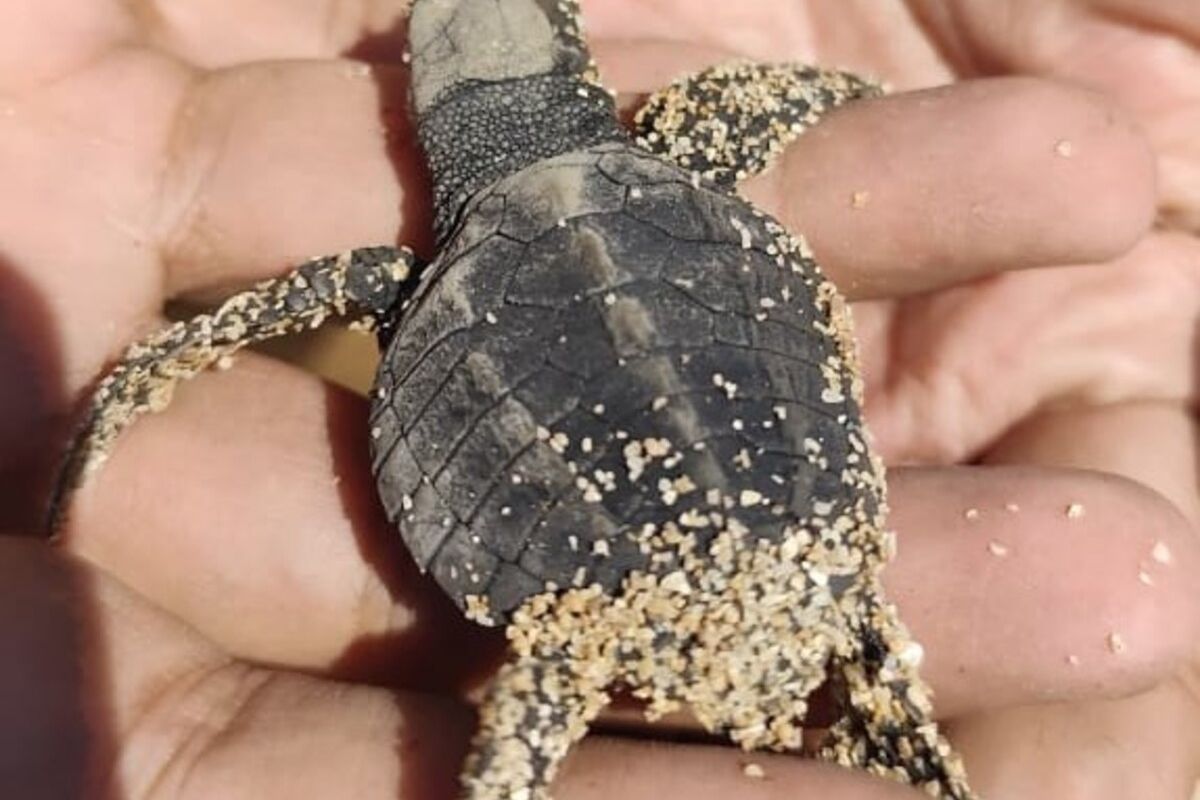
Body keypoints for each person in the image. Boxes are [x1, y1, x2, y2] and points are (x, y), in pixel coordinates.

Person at [0, 1, 1196, 797]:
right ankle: (885, 700)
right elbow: (803, 88)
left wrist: (122, 398)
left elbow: (220, 324)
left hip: (588, 595)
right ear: (572, 54)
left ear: (426, 108)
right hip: (797, 531)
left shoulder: (383, 280)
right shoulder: (690, 132)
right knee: (868, 642)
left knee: (565, 680)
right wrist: (846, 81)